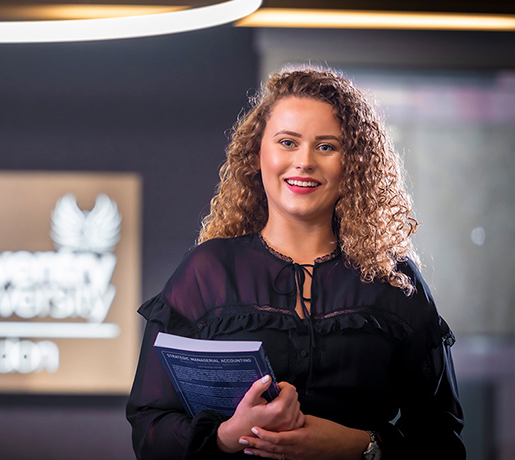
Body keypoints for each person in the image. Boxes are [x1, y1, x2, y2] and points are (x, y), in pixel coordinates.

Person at [126, 67, 465, 460]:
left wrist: (358, 445)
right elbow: (149, 426)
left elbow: (444, 440)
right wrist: (228, 434)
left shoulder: (394, 282)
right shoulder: (208, 272)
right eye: (288, 142)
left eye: (326, 147)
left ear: (352, 164)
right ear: (258, 154)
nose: (304, 162)